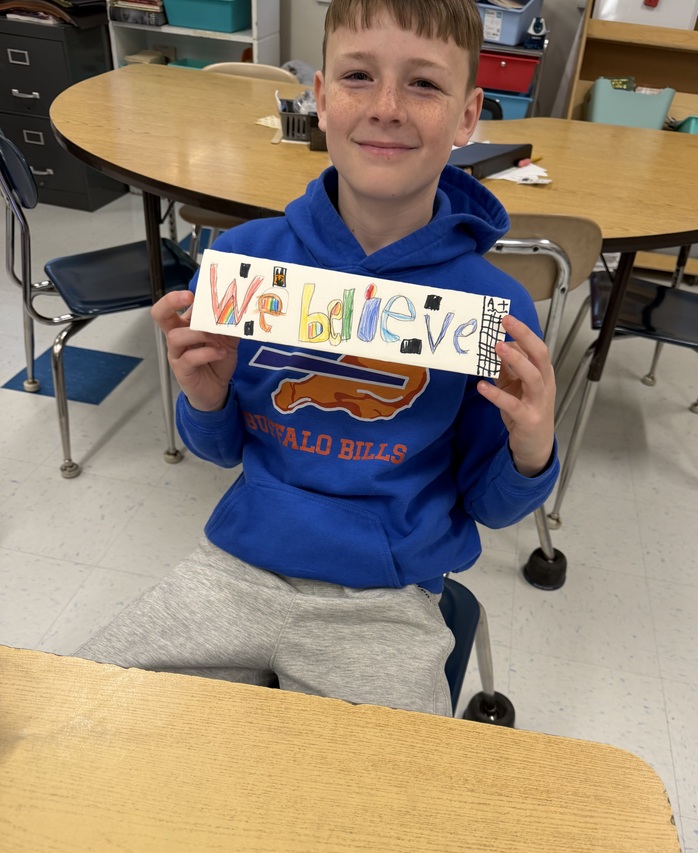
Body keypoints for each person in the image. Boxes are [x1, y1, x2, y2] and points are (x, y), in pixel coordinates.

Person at [76, 0, 559, 716]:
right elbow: (219, 450)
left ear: (467, 115)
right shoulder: (245, 260)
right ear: (321, 99)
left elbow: (487, 504)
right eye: (359, 76)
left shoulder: (494, 307)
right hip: (236, 567)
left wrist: (532, 449)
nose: (388, 107)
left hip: (386, 600)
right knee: (74, 719)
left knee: (386, 807)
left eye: (424, 84)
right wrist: (206, 400)